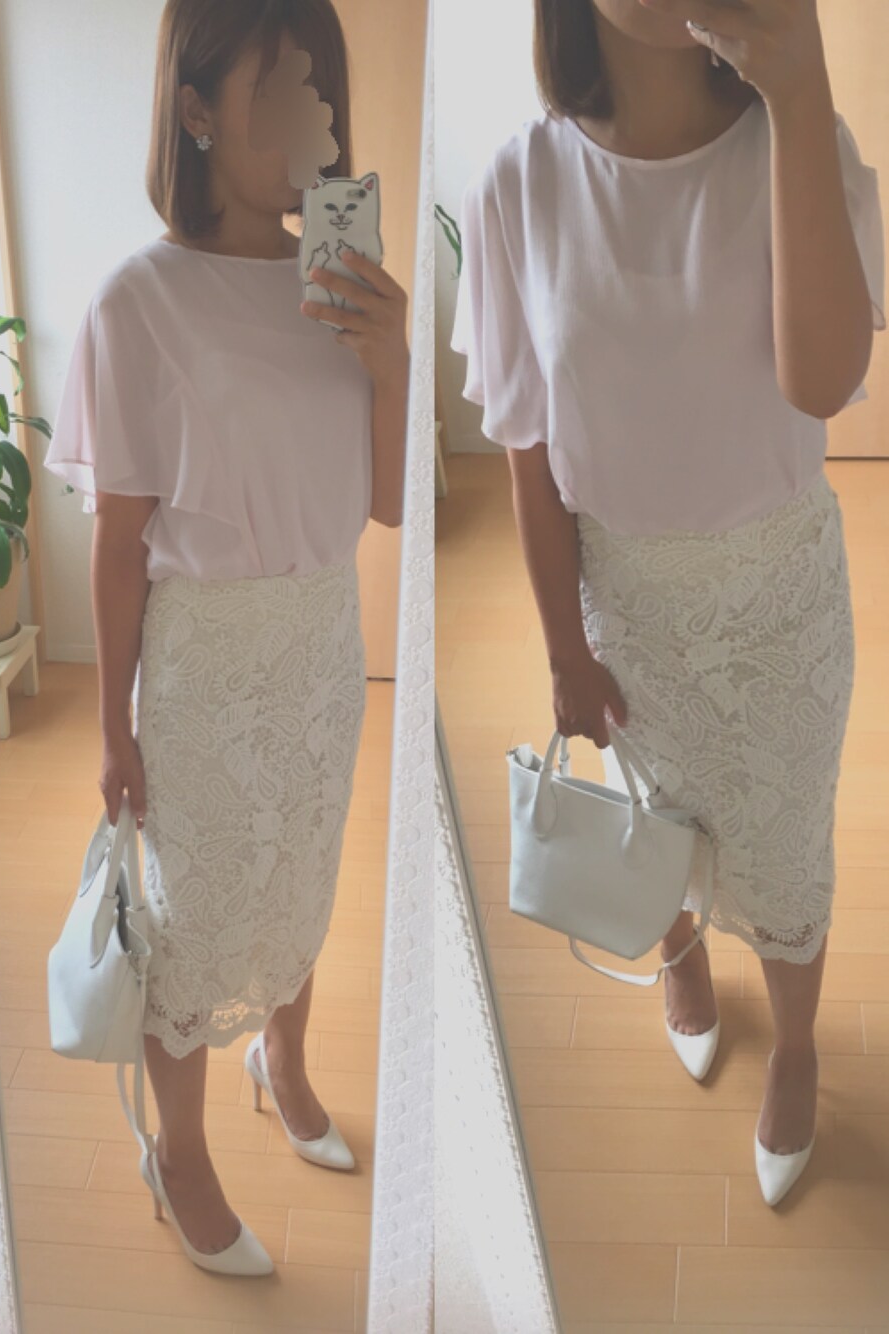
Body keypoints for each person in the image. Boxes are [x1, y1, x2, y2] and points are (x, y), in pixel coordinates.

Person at [452, 0, 884, 1208]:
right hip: (628, 605)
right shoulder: (518, 182)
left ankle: (794, 1045)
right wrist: (560, 648)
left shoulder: (802, 141)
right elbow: (527, 450)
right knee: (654, 819)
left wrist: (798, 87)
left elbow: (824, 380)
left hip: (778, 600)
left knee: (785, 850)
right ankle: (679, 953)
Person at [44, 0, 409, 1274]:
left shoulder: (340, 283)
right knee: (193, 917)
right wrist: (111, 727)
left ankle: (284, 1061)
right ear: (195, 109)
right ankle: (180, 1149)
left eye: (322, 91)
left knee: (302, 873)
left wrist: (390, 358)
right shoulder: (136, 302)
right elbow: (119, 542)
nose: (314, 119)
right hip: (204, 665)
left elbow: (389, 502)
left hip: (322, 645)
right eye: (279, 90)